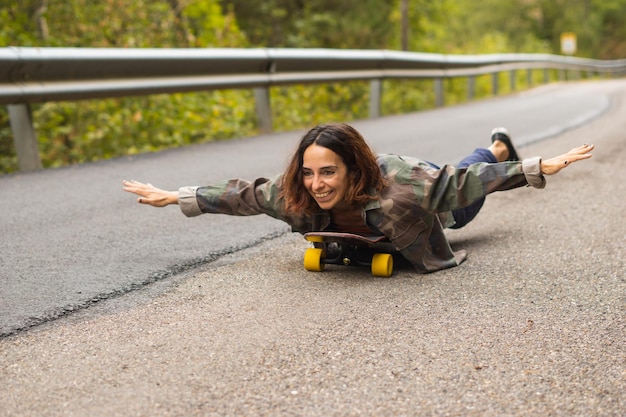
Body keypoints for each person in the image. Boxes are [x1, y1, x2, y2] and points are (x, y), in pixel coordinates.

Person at [123, 123, 594, 273]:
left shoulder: (405, 187)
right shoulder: (296, 196)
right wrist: (178, 197)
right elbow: (244, 195)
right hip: (406, 202)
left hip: (438, 208)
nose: (317, 183)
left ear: (354, 169)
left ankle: (496, 144)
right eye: (309, 173)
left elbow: (461, 183)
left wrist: (533, 167)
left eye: (328, 172)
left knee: (464, 173)